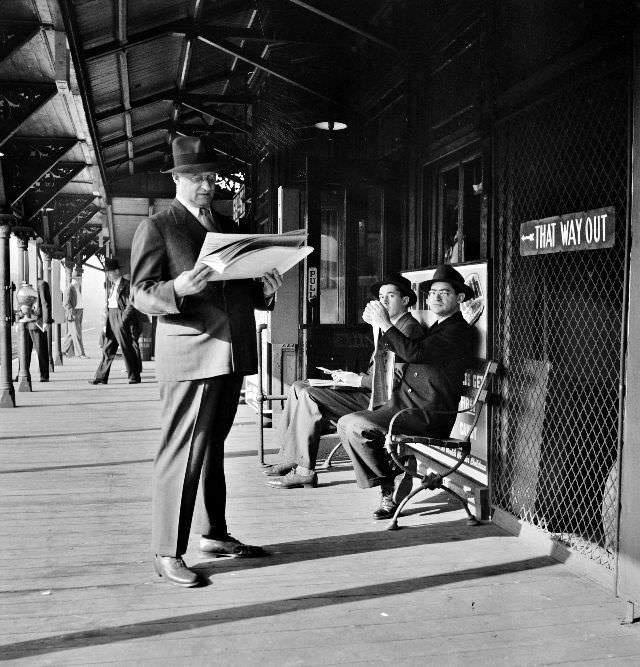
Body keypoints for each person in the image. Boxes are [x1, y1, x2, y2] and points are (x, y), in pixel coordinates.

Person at [130, 135, 283, 588]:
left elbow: (242, 289)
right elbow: (139, 294)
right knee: (182, 452)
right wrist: (177, 288)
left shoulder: (226, 226)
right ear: (176, 178)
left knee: (212, 447)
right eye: (196, 177)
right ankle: (166, 551)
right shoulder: (158, 226)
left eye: (211, 176)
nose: (206, 184)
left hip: (232, 354)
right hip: (192, 356)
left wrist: (266, 289)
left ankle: (213, 533)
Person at [337, 264, 476, 520]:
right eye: (433, 292)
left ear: (460, 298)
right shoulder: (439, 326)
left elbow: (413, 353)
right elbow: (405, 354)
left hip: (427, 414)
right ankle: (389, 483)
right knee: (346, 424)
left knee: (355, 426)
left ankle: (387, 485)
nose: (435, 297)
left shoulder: (457, 330)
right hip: (407, 406)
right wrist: (379, 326)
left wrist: (384, 323)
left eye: (444, 292)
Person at [265, 274, 425, 490]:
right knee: (298, 386)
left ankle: (304, 470)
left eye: (391, 296)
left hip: (380, 400)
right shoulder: (389, 325)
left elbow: (392, 380)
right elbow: (380, 367)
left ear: (405, 301)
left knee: (309, 395)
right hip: (369, 389)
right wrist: (348, 376)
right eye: (380, 297)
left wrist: (357, 380)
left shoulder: (408, 328)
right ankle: (289, 456)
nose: (383, 302)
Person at [89, 258, 142, 385]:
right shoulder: (112, 286)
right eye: (106, 272)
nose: (108, 275)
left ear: (117, 271)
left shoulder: (127, 285)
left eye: (110, 272)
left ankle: (134, 376)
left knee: (126, 348)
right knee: (107, 349)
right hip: (111, 317)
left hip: (120, 317)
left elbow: (131, 305)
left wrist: (123, 320)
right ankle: (101, 376)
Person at [62, 271, 87, 358]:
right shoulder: (69, 288)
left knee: (71, 334)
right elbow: (66, 303)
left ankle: (63, 350)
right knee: (77, 334)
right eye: (80, 280)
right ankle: (80, 354)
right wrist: (73, 313)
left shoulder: (75, 288)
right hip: (74, 313)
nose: (81, 282)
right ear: (75, 280)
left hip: (79, 312)